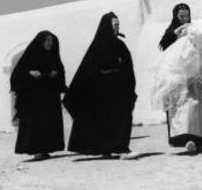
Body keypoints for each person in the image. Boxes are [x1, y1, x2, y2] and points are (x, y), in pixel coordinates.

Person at [153, 3, 202, 154]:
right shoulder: (171, 31)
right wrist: (176, 35)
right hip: (179, 78)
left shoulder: (194, 30)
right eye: (181, 16)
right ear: (175, 16)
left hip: (196, 77)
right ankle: (186, 139)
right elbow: (165, 48)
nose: (184, 18)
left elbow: (201, 46)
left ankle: (200, 140)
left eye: (187, 15)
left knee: (199, 109)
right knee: (183, 109)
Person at [63, 12, 138, 159]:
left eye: (118, 25)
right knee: (105, 121)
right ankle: (107, 149)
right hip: (102, 93)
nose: (117, 28)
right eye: (115, 25)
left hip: (119, 90)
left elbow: (127, 67)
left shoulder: (120, 45)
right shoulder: (98, 46)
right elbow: (88, 70)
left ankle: (122, 149)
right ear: (107, 26)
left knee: (122, 117)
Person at [10, 30, 66, 161]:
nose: (49, 43)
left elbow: (60, 70)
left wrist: (55, 74)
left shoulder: (52, 56)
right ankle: (37, 151)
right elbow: (17, 74)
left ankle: (46, 149)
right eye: (47, 40)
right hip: (34, 98)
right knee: (35, 124)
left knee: (48, 122)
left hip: (49, 96)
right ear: (41, 41)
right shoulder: (31, 56)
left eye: (51, 41)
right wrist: (30, 73)